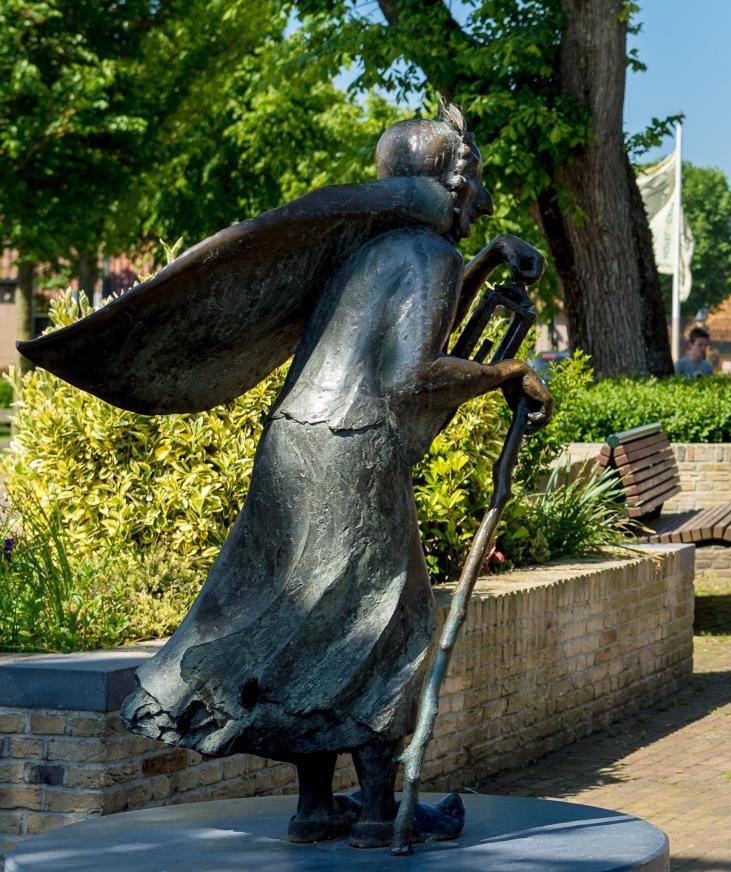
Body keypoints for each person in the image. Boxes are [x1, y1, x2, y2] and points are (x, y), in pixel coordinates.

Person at [25, 103, 550, 849]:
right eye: (480, 184)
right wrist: (509, 373)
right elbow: (409, 376)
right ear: (452, 183)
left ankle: (314, 807)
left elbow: (408, 326)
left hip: (296, 444)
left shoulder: (376, 249)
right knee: (385, 623)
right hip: (354, 451)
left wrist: (491, 260)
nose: (485, 200)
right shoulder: (424, 255)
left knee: (314, 626)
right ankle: (375, 813)